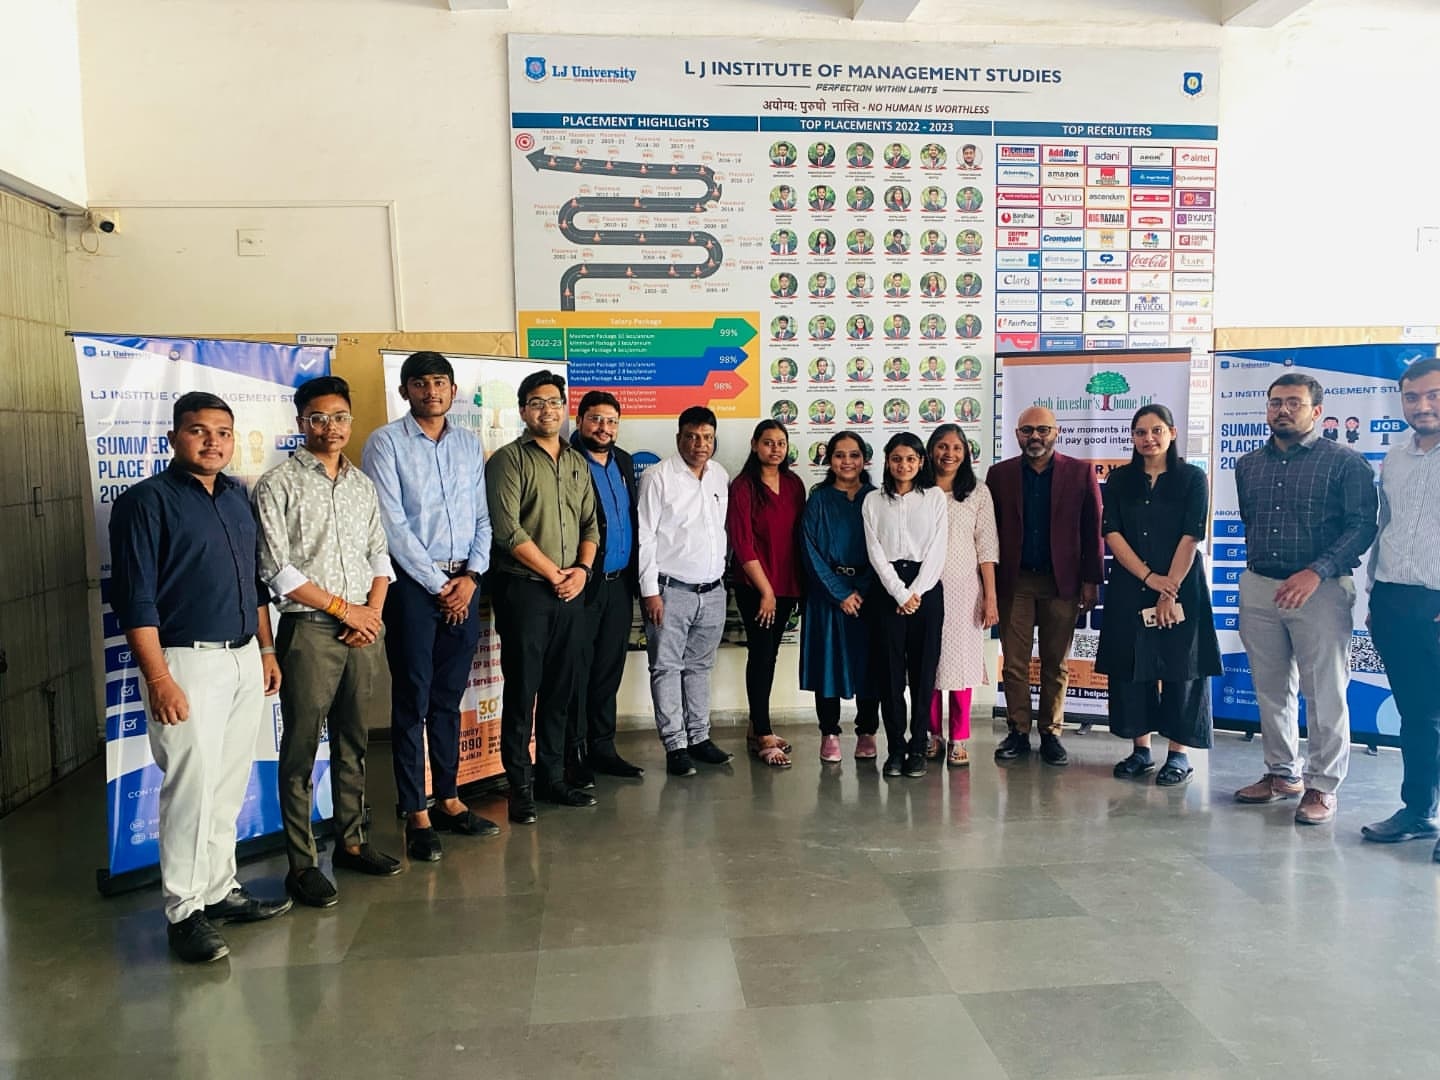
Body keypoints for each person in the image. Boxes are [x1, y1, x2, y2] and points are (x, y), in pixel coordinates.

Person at [109, 391, 291, 963]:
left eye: (223, 432)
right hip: (184, 662)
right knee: (191, 786)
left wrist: (265, 649)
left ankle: (218, 889)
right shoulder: (145, 503)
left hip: (243, 658)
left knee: (228, 784)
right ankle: (184, 911)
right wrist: (159, 679)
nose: (213, 442)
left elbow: (255, 586)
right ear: (174, 438)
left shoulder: (236, 498)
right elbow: (135, 600)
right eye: (198, 430)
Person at [253, 376, 400, 910]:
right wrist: (346, 610)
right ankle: (302, 864)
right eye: (318, 418)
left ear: (350, 421)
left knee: (353, 740)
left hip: (364, 628)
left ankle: (353, 842)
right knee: (299, 749)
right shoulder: (277, 484)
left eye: (340, 417)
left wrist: (371, 614)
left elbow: (379, 556)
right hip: (311, 630)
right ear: (301, 423)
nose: (330, 427)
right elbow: (278, 570)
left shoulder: (362, 484)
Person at [363, 351, 497, 861]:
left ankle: (448, 798)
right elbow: (391, 525)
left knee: (448, 697)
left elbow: (482, 517)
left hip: (465, 581)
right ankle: (415, 811)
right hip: (413, 588)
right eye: (421, 383)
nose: (432, 391)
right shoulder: (385, 443)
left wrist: (471, 577)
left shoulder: (467, 444)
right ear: (405, 391)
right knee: (412, 700)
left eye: (440, 382)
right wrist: (441, 585)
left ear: (453, 390)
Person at [1233, 373, 1378, 824]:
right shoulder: (1248, 464)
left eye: (1294, 403)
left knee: (1325, 692)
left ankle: (1322, 785)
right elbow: (1251, 519)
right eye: (1275, 402)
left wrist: (1316, 571)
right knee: (1271, 689)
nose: (1283, 410)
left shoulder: (1345, 462)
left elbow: (1362, 526)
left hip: (1321, 590)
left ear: (1316, 411)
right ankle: (1282, 774)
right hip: (1261, 586)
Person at [485, 370, 600, 822]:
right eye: (536, 402)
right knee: (523, 690)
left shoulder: (576, 461)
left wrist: (582, 572)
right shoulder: (507, 461)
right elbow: (507, 530)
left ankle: (553, 778)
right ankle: (520, 787)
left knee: (560, 690)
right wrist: (555, 574)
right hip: (525, 591)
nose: (546, 410)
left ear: (564, 408)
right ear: (522, 410)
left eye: (553, 402)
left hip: (571, 590)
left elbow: (590, 524)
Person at [1096, 406, 1221, 786]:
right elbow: (1112, 533)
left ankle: (1179, 754)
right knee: (1133, 667)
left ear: (1172, 432)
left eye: (1156, 430)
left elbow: (1191, 535)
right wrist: (1150, 578)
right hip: (1131, 585)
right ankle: (1141, 750)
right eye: (1140, 432)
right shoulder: (1120, 480)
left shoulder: (1192, 478)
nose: (1148, 438)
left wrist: (1169, 589)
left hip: (1182, 586)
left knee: (1182, 667)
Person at [987, 406, 1103, 767]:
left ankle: (1051, 733)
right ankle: (1018, 731)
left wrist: (1091, 580)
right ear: (1017, 434)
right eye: (1027, 430)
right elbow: (989, 531)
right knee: (1014, 664)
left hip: (1061, 581)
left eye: (1042, 430)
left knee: (1056, 662)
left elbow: (1093, 529)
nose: (1035, 436)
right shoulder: (999, 474)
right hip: (1015, 581)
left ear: (1056, 432)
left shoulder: (1080, 472)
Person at [1362, 359, 1440, 850]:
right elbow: (1384, 527)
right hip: (1395, 601)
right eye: (1412, 397)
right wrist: (1376, 593)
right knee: (1417, 716)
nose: (1422, 405)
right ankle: (1418, 811)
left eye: (1433, 395)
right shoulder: (1395, 457)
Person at [637, 407, 734, 776]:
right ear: (679, 438)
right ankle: (675, 745)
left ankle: (699, 737)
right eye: (692, 437)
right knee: (666, 668)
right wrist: (649, 592)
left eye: (707, 437)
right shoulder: (658, 477)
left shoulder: (719, 475)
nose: (700, 444)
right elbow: (645, 536)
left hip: (713, 591)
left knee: (700, 668)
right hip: (669, 591)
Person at [567, 392, 646, 783]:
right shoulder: (567, 461)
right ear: (579, 420)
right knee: (576, 673)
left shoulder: (624, 461)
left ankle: (603, 747)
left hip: (619, 584)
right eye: (596, 419)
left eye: (612, 421)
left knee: (608, 670)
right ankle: (573, 753)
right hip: (584, 584)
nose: (604, 428)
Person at [863, 432, 947, 778]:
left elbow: (938, 549)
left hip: (926, 591)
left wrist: (915, 592)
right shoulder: (873, 501)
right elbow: (875, 552)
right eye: (897, 459)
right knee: (890, 674)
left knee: (923, 674)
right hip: (887, 591)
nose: (904, 465)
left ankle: (918, 746)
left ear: (921, 462)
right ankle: (896, 747)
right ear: (887, 461)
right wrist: (899, 593)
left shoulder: (934, 497)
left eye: (911, 459)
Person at [727, 421, 807, 769]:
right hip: (756, 587)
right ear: (754, 444)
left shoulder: (793, 484)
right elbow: (742, 541)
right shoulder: (743, 486)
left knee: (770, 655)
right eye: (768, 442)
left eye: (780, 443)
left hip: (787, 584)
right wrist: (765, 591)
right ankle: (763, 732)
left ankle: (755, 726)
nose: (775, 449)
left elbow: (801, 535)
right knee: (761, 654)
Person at [802, 432, 883, 762]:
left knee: (869, 664)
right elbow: (810, 552)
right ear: (829, 459)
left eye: (854, 455)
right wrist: (839, 593)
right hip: (827, 596)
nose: (847, 461)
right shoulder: (818, 501)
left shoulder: (876, 499)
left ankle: (867, 731)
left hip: (869, 594)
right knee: (828, 664)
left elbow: (885, 550)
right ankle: (830, 732)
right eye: (839, 455)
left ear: (864, 459)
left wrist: (860, 589)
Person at [926, 426, 999, 767]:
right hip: (924, 587)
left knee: (961, 664)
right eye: (942, 446)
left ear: (966, 452)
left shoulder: (978, 492)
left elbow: (987, 547)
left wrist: (990, 596)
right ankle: (932, 734)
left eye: (957, 447)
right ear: (931, 450)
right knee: (927, 662)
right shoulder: (918, 489)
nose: (949, 453)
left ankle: (958, 737)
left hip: (965, 589)